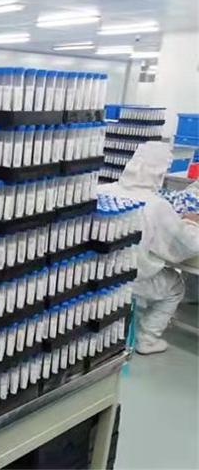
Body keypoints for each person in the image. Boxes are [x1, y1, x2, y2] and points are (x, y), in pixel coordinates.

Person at [98, 141, 199, 354]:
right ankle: (147, 340)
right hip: (129, 280)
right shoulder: (156, 205)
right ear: (160, 173)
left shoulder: (102, 191)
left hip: (93, 274)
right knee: (174, 285)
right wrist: (191, 222)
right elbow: (189, 245)